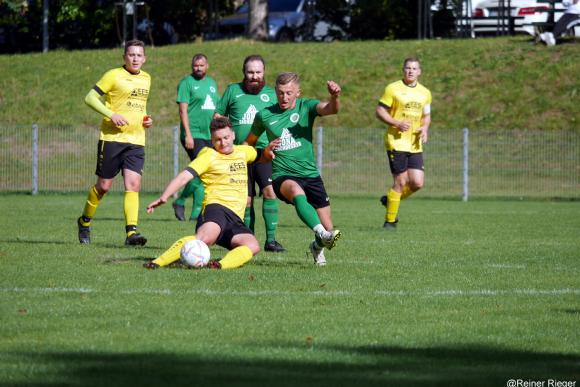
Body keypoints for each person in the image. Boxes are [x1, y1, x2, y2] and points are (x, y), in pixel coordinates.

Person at [144, 117, 278, 270]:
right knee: (204, 239)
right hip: (216, 209)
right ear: (212, 140)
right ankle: (157, 262)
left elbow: (262, 156)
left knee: (252, 245)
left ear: (233, 135)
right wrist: (164, 197)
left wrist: (268, 151)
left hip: (235, 218)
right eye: (218, 140)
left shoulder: (244, 152)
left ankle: (219, 265)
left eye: (226, 137)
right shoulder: (208, 157)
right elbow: (184, 176)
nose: (223, 143)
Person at [246, 72, 342, 266]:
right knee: (296, 192)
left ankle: (316, 246)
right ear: (275, 92)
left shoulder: (306, 107)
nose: (284, 97)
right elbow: (248, 145)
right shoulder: (264, 115)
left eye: (289, 93)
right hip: (283, 174)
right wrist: (265, 153)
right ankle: (322, 234)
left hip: (310, 174)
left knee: (329, 225)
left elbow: (331, 109)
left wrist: (334, 96)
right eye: (280, 93)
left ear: (298, 92)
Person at [77, 39, 152, 246]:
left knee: (133, 185)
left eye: (139, 55)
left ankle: (131, 234)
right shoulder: (113, 75)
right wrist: (111, 114)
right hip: (111, 139)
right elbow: (90, 98)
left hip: (136, 141)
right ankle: (84, 222)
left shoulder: (147, 78)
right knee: (103, 187)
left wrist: (147, 119)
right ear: (124, 57)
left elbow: (140, 107)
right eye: (131, 54)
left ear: (144, 58)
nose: (135, 58)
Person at [214, 55, 285, 253]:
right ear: (244, 73)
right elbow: (218, 116)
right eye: (250, 72)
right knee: (246, 199)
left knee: (270, 192)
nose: (254, 76)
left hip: (263, 152)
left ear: (264, 73)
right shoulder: (232, 90)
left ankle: (271, 241)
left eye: (258, 72)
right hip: (238, 154)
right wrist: (222, 139)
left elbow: (282, 119)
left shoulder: (272, 95)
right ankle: (248, 238)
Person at [375, 57, 432, 230]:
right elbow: (379, 111)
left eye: (414, 68)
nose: (411, 71)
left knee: (417, 183)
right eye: (408, 68)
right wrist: (396, 123)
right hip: (397, 142)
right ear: (403, 70)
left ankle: (391, 199)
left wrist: (425, 128)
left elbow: (426, 115)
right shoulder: (393, 89)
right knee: (400, 182)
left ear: (419, 71)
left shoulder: (425, 93)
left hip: (414, 144)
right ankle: (390, 222)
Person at [172, 53, 219, 222]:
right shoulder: (186, 83)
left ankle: (193, 213)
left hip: (209, 134)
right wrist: (188, 135)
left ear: (207, 66)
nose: (198, 68)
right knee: (201, 170)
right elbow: (183, 110)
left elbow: (215, 109)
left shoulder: (212, 84)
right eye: (195, 66)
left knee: (205, 173)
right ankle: (182, 201)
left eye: (201, 65)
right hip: (194, 134)